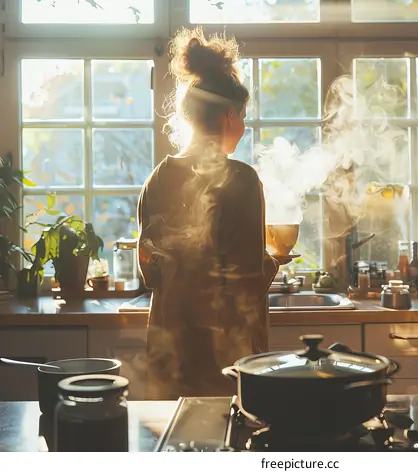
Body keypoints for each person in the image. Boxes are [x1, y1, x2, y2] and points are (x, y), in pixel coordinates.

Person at [136, 27, 280, 400]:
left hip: (169, 355)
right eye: (243, 118)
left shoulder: (158, 178)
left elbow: (149, 270)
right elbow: (245, 286)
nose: (244, 130)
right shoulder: (242, 180)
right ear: (230, 115)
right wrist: (273, 263)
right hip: (223, 360)